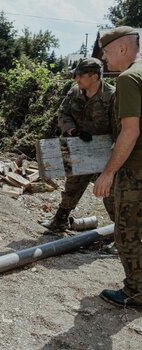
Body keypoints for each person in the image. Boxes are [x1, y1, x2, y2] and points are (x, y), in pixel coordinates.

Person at [93, 26, 142, 310]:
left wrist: (108, 172)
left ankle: (136, 291)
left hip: (135, 171)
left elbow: (130, 131)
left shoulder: (128, 79)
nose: (103, 58)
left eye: (107, 51)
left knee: (128, 231)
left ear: (123, 49)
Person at [41, 57, 116, 232]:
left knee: (110, 192)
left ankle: (119, 232)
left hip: (105, 150)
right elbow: (63, 115)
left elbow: (120, 127)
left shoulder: (112, 96)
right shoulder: (74, 92)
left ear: (95, 76)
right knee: (73, 184)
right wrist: (74, 132)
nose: (76, 79)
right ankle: (60, 220)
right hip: (80, 145)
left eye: (80, 75)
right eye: (76, 75)